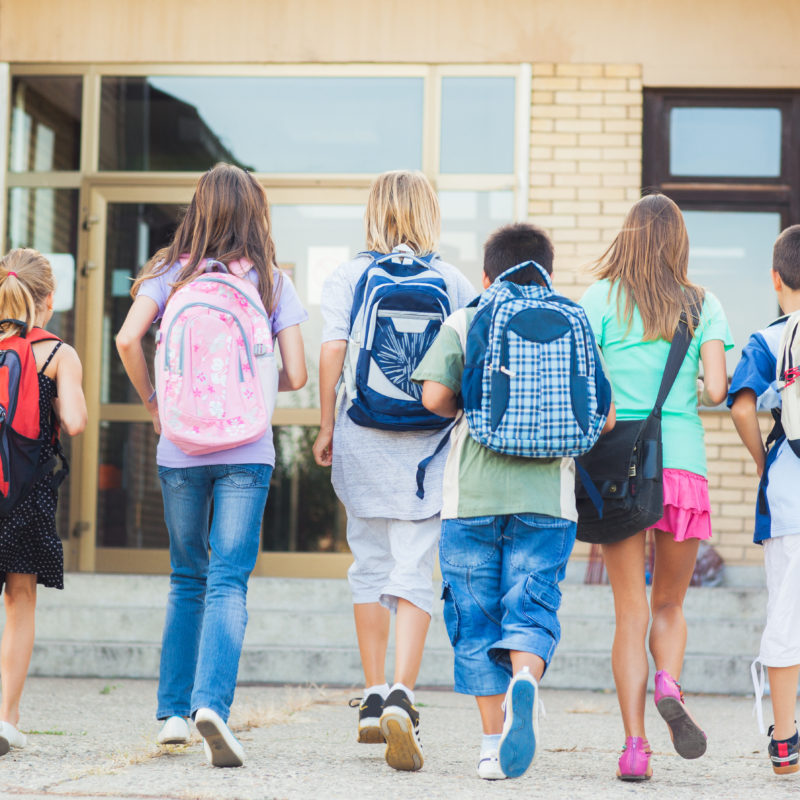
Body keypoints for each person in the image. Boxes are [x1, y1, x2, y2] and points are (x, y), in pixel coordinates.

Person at [116, 163, 308, 768]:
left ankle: (172, 713)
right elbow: (299, 375)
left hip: (178, 450)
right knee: (228, 579)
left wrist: (155, 403)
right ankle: (211, 708)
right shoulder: (273, 281)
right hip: (246, 452)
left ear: (197, 208)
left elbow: (126, 340)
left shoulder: (169, 271)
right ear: (255, 212)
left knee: (185, 576)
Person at [413, 222, 613, 780]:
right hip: (548, 498)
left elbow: (434, 396)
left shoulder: (469, 317)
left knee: (475, 620)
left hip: (471, 497)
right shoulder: (575, 319)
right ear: (547, 268)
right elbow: (606, 414)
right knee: (530, 607)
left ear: (487, 272)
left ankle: (488, 744)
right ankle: (526, 677)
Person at [312, 170, 474, 772]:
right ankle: (404, 694)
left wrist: (326, 425)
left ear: (374, 212)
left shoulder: (349, 276)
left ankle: (373, 692)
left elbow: (332, 350)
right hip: (429, 447)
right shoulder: (452, 279)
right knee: (414, 565)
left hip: (362, 434)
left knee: (368, 563)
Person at [579, 194, 732, 780]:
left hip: (618, 468)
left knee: (629, 611)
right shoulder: (704, 303)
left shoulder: (599, 299)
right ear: (679, 242)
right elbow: (716, 390)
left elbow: (588, 385)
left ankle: (635, 748)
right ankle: (669, 680)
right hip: (683, 467)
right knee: (670, 603)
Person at [0, 248, 87, 756]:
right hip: (24, 495)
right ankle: (7, 718)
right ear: (47, 300)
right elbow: (73, 422)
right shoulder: (57, 353)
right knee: (20, 599)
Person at [729, 224, 800, 776]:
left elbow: (739, 405)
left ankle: (784, 740)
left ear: (776, 278)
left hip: (789, 497)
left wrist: (761, 458)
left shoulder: (770, 338)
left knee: (786, 611)